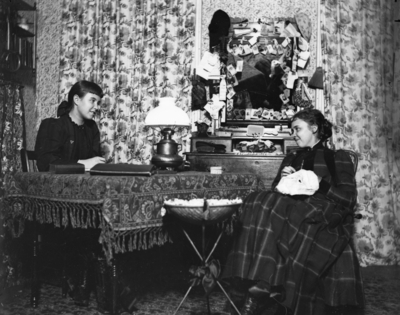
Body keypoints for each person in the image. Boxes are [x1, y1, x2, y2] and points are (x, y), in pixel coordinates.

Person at [222, 109, 365, 315]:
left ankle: (260, 288)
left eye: (297, 129)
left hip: (320, 209)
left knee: (275, 206)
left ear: (314, 128)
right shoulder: (291, 157)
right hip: (288, 207)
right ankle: (259, 285)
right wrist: (283, 179)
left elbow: (349, 199)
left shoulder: (336, 157)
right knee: (256, 199)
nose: (294, 134)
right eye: (292, 130)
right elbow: (275, 192)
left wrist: (320, 183)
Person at [36, 80, 105, 171]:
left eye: (98, 103)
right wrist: (84, 163)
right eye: (92, 101)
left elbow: (95, 164)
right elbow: (45, 164)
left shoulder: (92, 128)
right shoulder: (53, 125)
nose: (97, 107)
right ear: (76, 100)